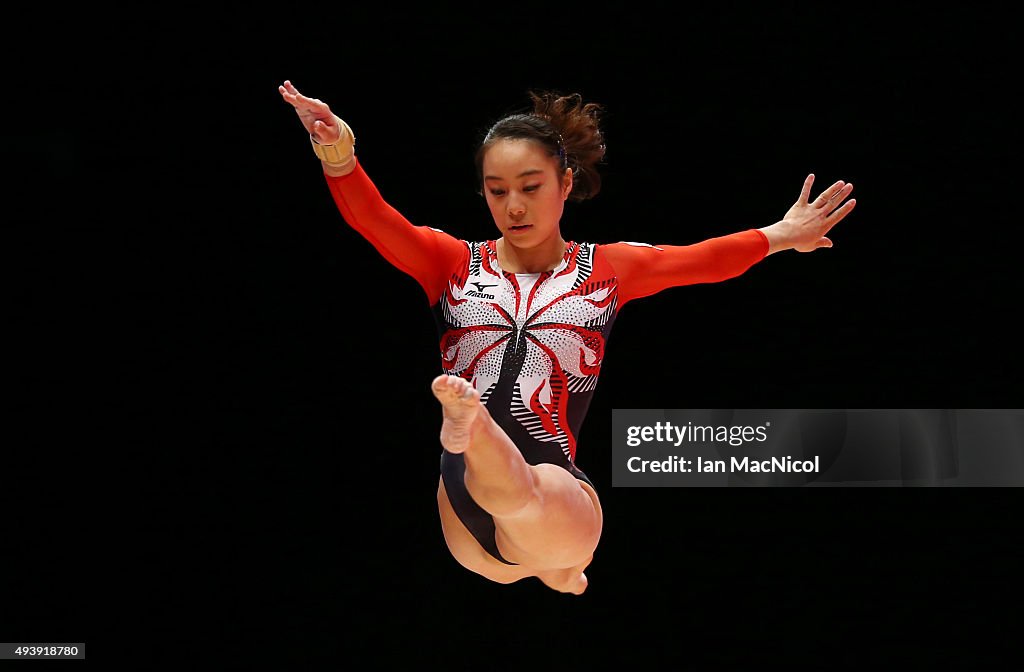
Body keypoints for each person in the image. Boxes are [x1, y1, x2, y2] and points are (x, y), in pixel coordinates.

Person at [278, 80, 856, 595]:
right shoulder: (448, 263)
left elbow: (701, 260)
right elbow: (376, 221)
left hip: (546, 489)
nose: (514, 205)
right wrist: (338, 153)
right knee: (533, 516)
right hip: (471, 504)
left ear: (566, 183)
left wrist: (781, 235)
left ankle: (480, 441)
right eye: (497, 190)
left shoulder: (608, 268)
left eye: (530, 186)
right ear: (483, 193)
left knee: (536, 505)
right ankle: (478, 437)